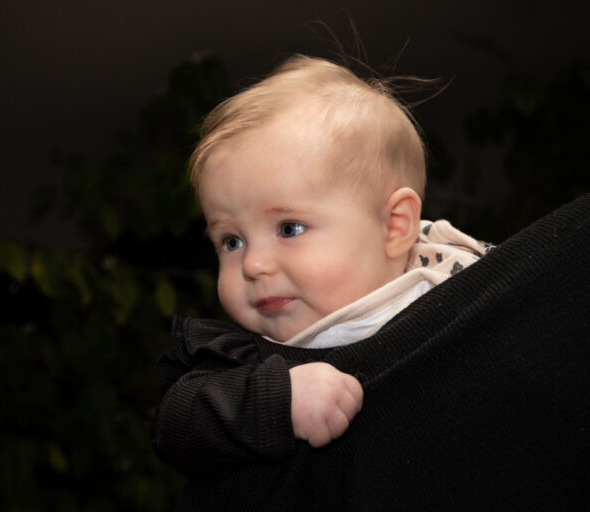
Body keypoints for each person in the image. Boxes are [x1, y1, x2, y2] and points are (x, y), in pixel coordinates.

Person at [153, 55, 490, 476]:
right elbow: (176, 424)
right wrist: (277, 400)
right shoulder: (243, 363)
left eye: (289, 228)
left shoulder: (470, 290)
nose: (253, 264)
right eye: (231, 241)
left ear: (393, 227)